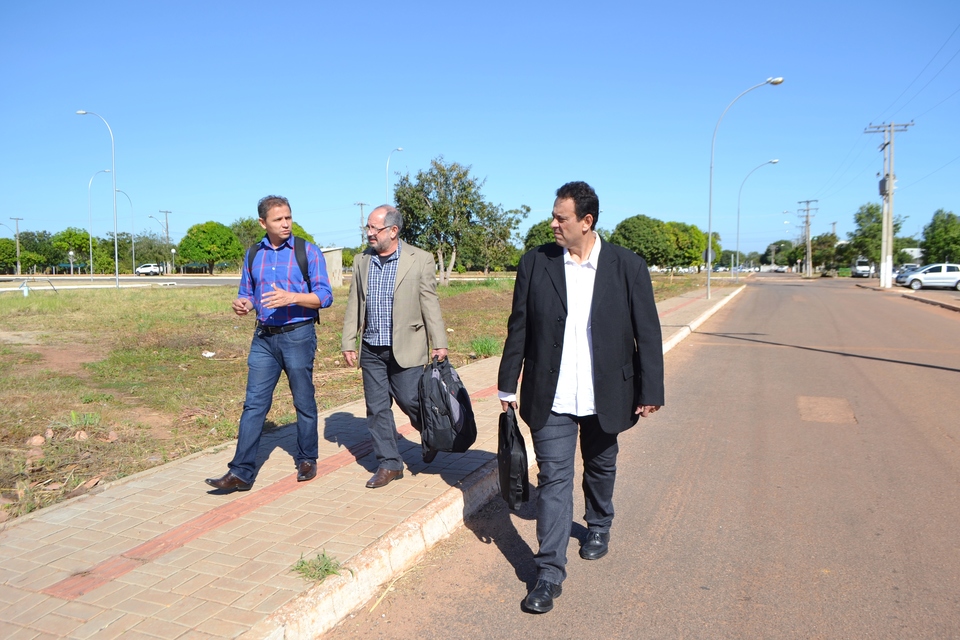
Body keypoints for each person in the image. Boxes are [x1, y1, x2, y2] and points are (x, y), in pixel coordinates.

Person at [498, 181, 664, 613]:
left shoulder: (627, 266)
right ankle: (548, 573)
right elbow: (520, 327)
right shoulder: (536, 263)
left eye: (561, 218)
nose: (552, 223)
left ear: (586, 222)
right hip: (550, 392)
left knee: (600, 464)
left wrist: (650, 390)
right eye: (553, 215)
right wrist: (505, 383)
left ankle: (598, 523)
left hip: (607, 391)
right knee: (553, 479)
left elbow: (647, 332)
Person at [206, 195, 333, 492]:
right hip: (263, 339)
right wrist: (244, 305)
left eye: (288, 217)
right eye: (278, 219)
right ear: (263, 223)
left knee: (303, 401)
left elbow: (325, 296)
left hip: (298, 335)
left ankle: (306, 458)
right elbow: (247, 293)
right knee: (253, 406)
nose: (286, 223)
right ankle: (240, 472)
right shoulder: (253, 254)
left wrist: (293, 297)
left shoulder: (307, 251)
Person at [341, 204, 448, 489]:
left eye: (374, 228)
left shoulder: (419, 259)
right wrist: (348, 341)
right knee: (377, 409)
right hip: (372, 347)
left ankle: (431, 434)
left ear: (393, 230)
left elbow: (429, 301)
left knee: (411, 400)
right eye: (368, 227)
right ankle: (389, 463)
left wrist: (439, 342)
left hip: (407, 345)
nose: (369, 233)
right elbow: (355, 302)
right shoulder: (362, 260)